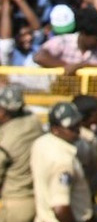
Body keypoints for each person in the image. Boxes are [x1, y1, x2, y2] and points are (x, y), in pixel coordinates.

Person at [30, 102, 91, 222]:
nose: (77, 131)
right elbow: (60, 208)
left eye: (78, 124)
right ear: (55, 129)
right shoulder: (63, 161)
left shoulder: (40, 143)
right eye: (71, 128)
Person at [0, 85, 46, 222]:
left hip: (14, 203)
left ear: (3, 111)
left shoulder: (6, 138)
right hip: (36, 199)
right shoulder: (34, 122)